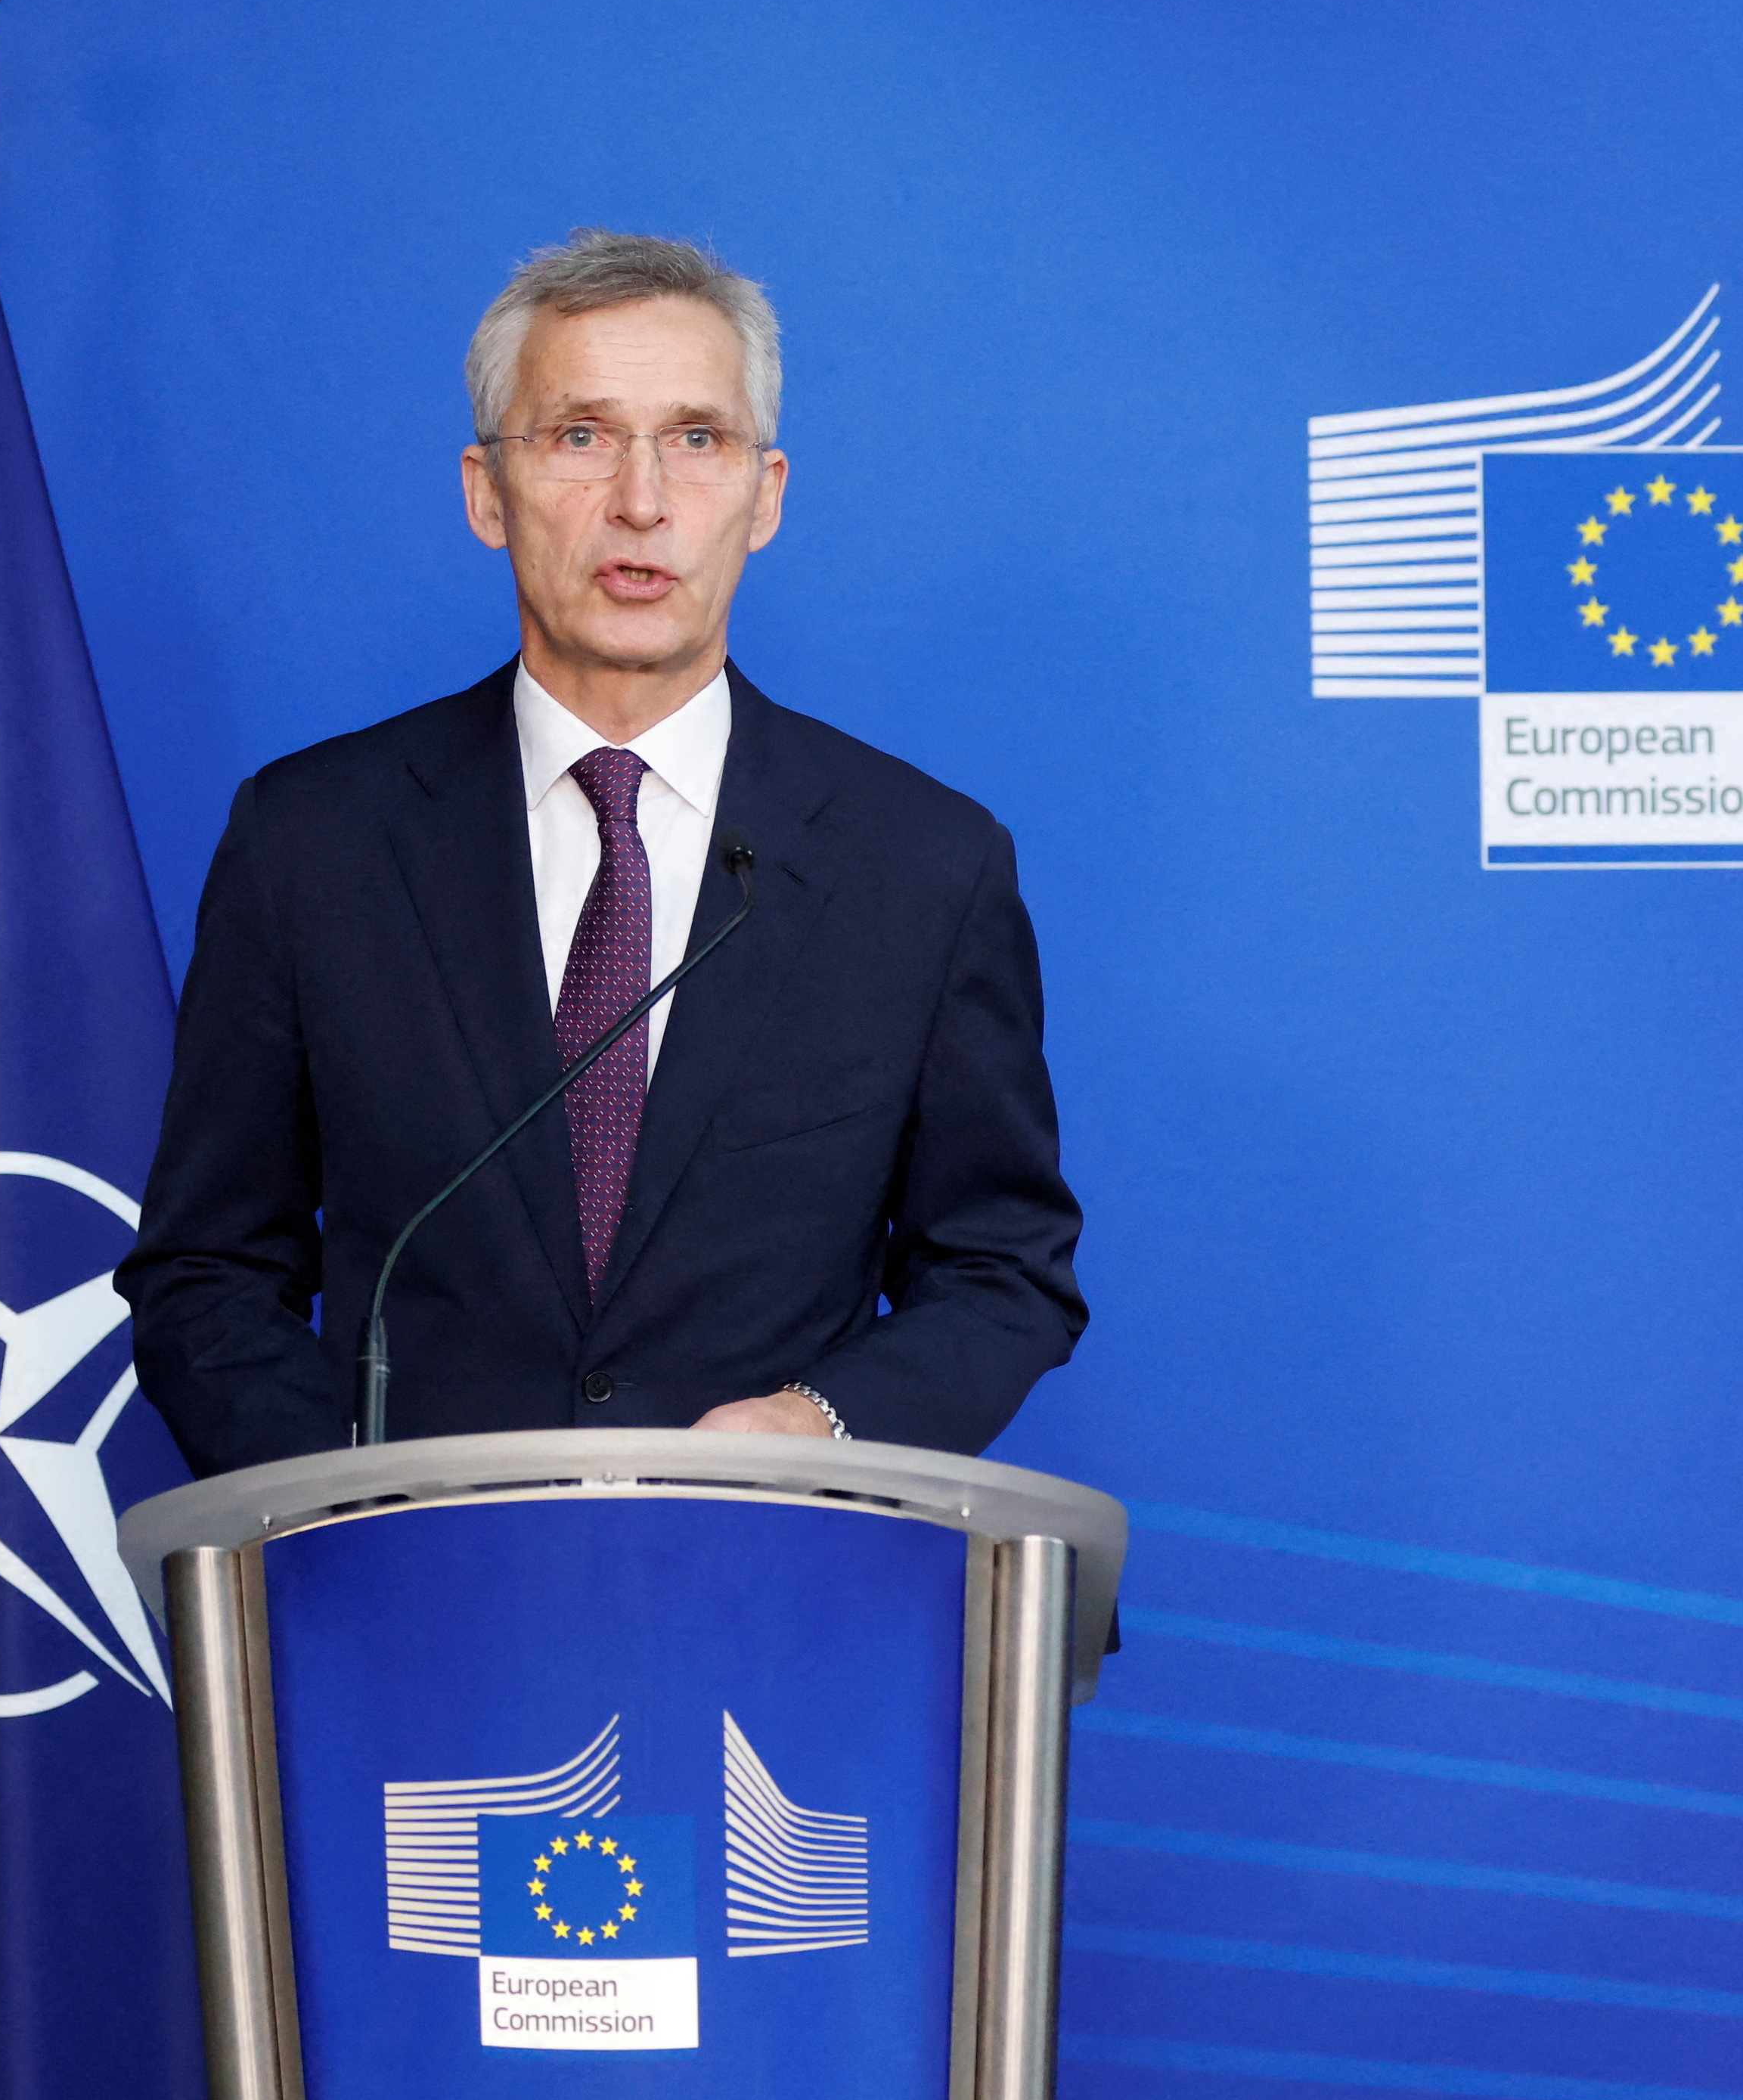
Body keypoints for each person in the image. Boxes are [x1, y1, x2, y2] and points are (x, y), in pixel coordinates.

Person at [122, 231, 1084, 1475]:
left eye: (696, 438)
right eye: (580, 435)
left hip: (776, 1581)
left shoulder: (922, 864)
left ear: (766, 494)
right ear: (486, 492)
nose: (643, 500)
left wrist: (819, 1427)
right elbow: (207, 1268)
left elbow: (1002, 1271)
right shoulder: (313, 840)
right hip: (403, 1597)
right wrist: (347, 1507)